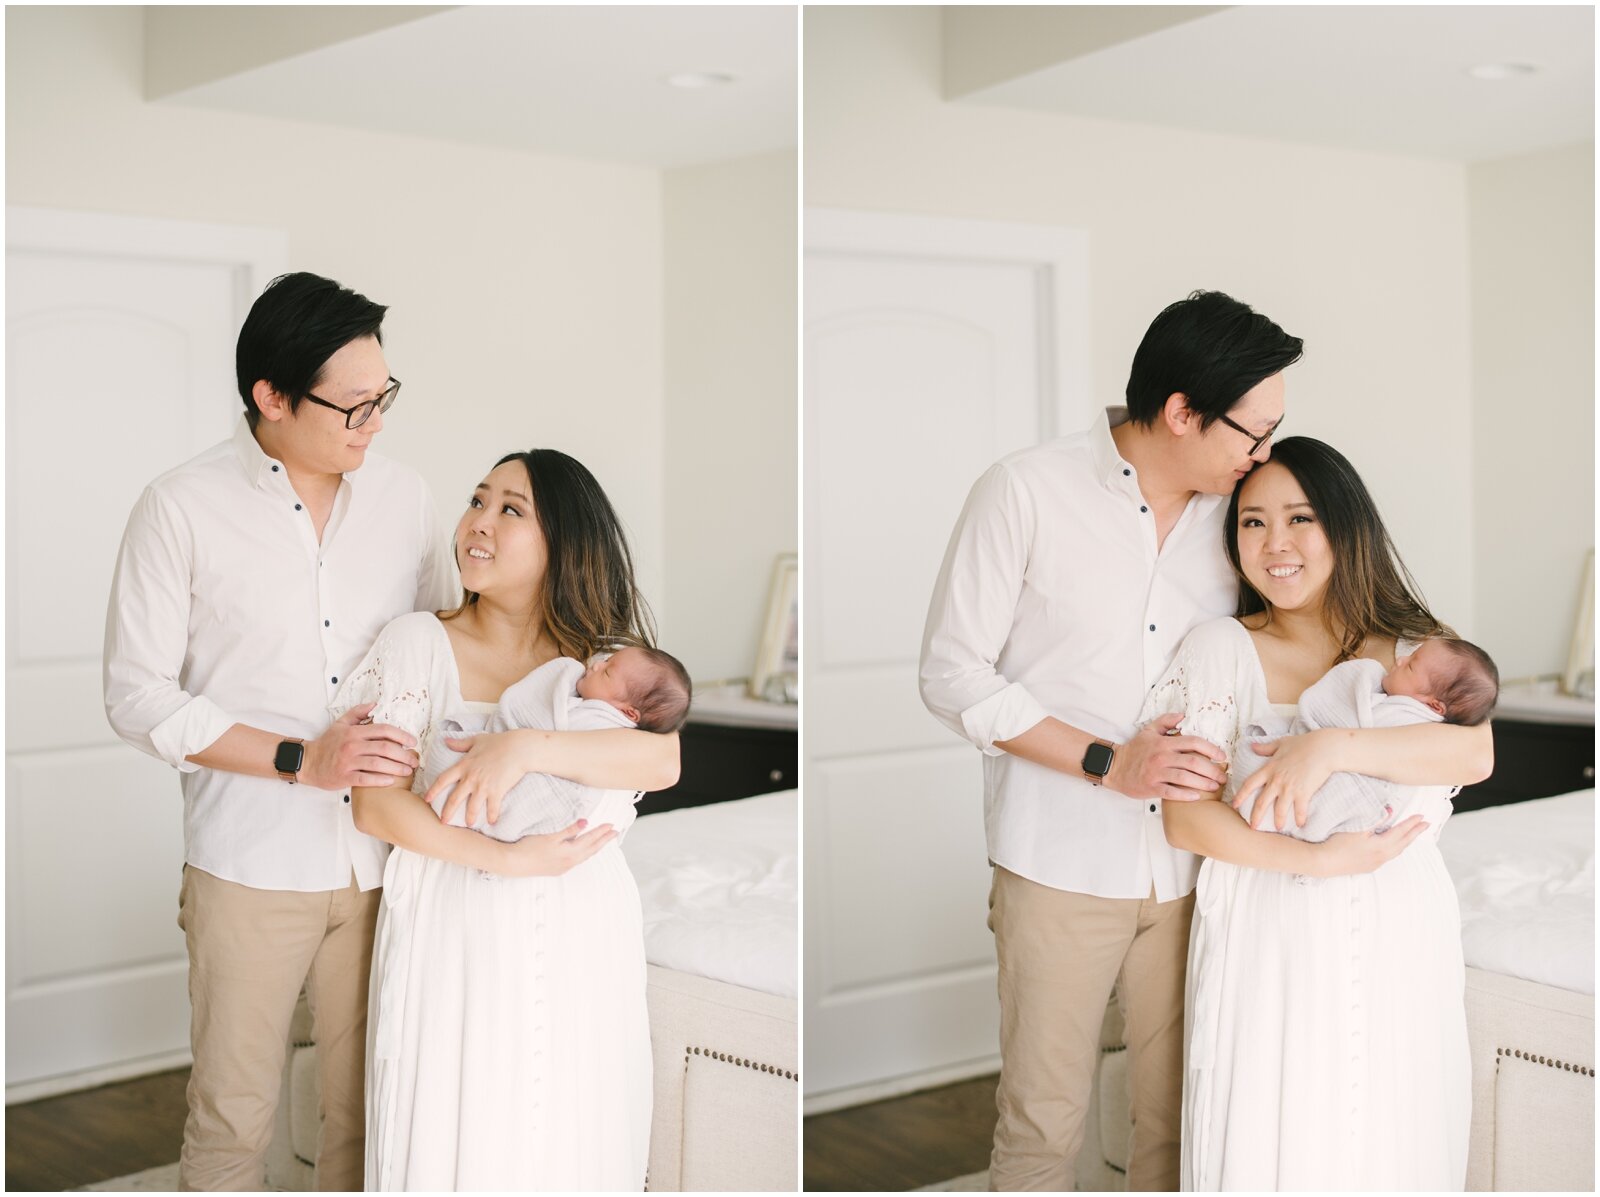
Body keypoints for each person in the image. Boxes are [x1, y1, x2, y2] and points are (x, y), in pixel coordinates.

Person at [919, 290, 1303, 1190]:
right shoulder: (1024, 490)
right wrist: (1108, 761)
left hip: (1199, 869)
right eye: (1253, 432)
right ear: (1181, 413)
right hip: (1057, 864)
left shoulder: (1245, 516)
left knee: (1179, 1119)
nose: (1266, 454)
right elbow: (952, 672)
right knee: (1045, 1124)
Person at [103, 272, 465, 1190]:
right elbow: (136, 694)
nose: (374, 422)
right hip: (248, 863)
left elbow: (436, 657)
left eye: (384, 397)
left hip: (384, 859)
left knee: (368, 1112)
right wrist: (301, 760)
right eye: (352, 405)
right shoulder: (178, 506)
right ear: (270, 396)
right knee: (234, 1116)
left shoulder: (406, 497)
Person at [1149, 437, 1493, 1190]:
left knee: (1389, 1128)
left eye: (1300, 518)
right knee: (1281, 1133)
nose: (1275, 545)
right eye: (1251, 523)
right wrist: (1318, 860)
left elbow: (1473, 757)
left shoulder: (1411, 649)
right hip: (1269, 919)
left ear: (1344, 526)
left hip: (1398, 917)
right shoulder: (1220, 650)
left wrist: (1330, 746)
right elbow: (1185, 821)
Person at [338, 448, 679, 1191]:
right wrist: (507, 859)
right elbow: (374, 801)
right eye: (477, 500)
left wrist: (522, 746)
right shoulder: (418, 643)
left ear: (564, 542)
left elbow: (662, 764)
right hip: (455, 908)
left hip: (580, 912)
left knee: (566, 1123)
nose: (477, 524)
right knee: (465, 1123)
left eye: (510, 509)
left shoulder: (601, 663)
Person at [1226, 636, 1499, 841]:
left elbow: (1479, 761)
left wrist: (1326, 745)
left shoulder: (1413, 717)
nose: (1400, 660)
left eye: (1411, 667)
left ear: (1435, 707)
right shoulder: (1419, 676)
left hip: (1372, 822)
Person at [426, 645, 692, 839]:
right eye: (606, 660)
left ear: (628, 713)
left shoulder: (604, 720)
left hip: (561, 813)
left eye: (607, 672)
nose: (596, 665)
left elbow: (667, 767)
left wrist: (520, 746)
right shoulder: (607, 675)